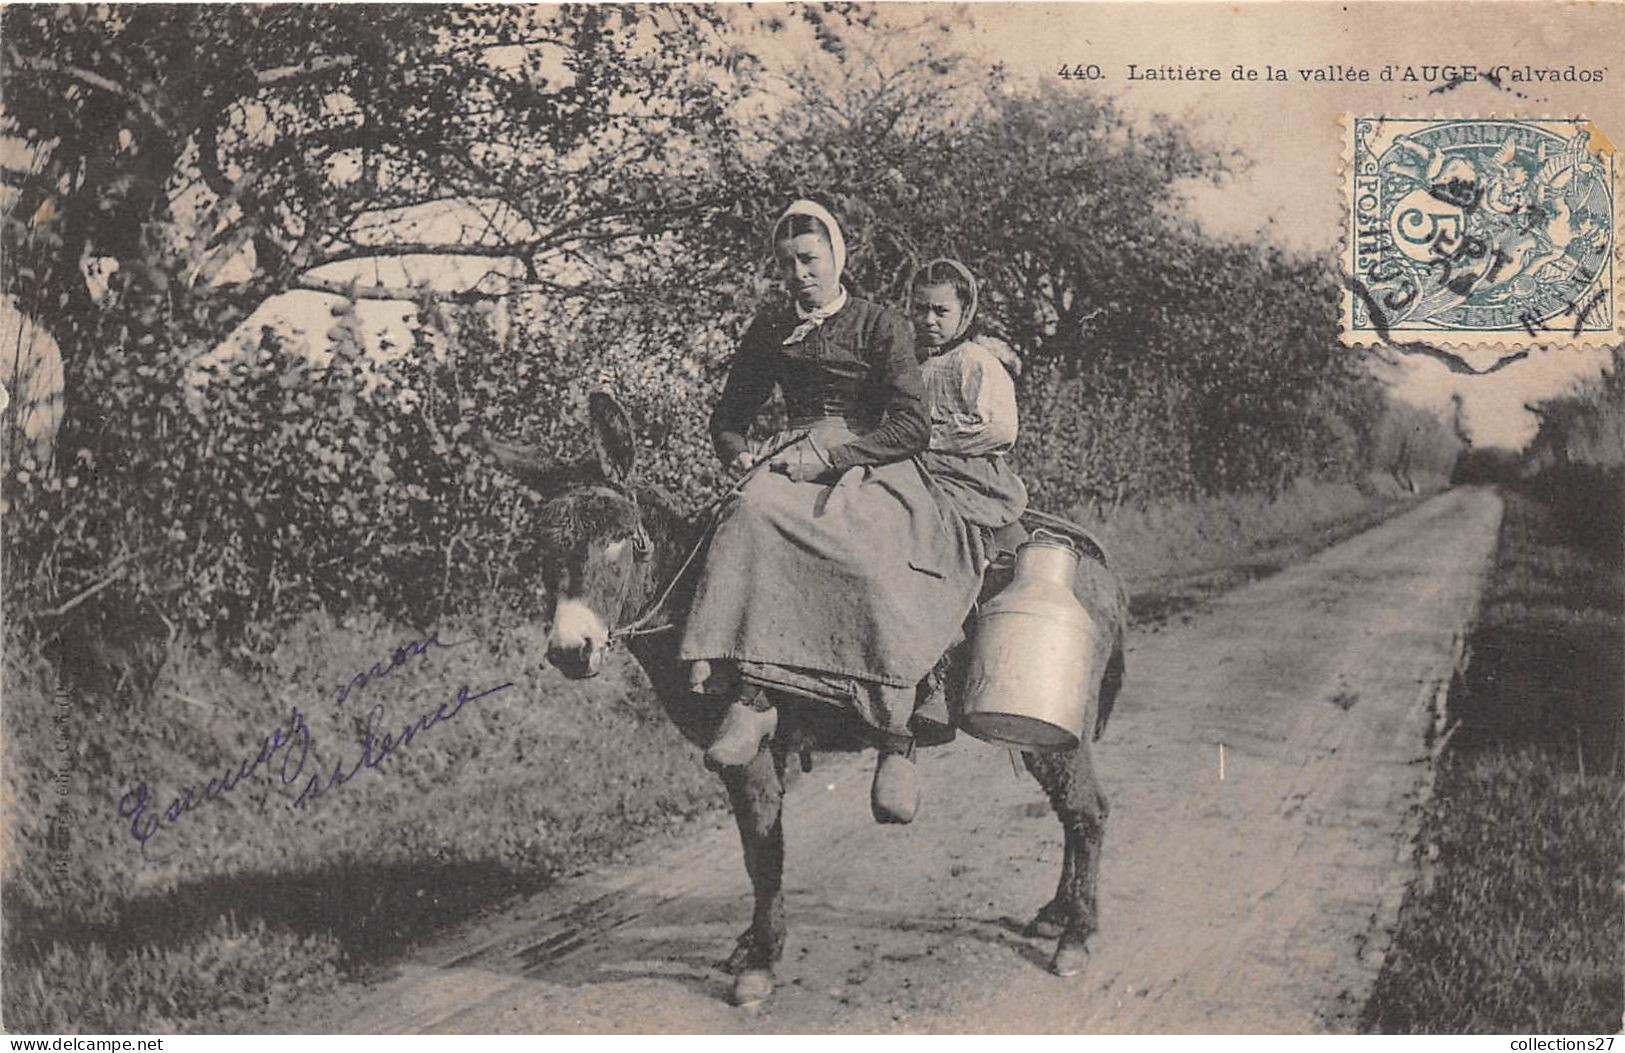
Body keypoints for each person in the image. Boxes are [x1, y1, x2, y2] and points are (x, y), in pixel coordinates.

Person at [678, 202, 986, 824]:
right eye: (787, 264)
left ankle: (898, 729)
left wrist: (836, 458)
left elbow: (911, 425)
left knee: (873, 553)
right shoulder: (769, 328)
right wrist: (740, 455)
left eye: (809, 260)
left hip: (872, 459)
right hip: (792, 456)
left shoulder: (879, 325)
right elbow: (729, 419)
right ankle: (753, 697)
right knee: (745, 516)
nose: (799, 274)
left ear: (836, 258)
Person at [906, 258, 1030, 740]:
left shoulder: (974, 362)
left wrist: (929, 438)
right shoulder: (909, 362)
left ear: (964, 313)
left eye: (940, 311)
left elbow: (999, 428)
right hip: (913, 467)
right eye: (920, 309)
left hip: (965, 473)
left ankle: (944, 667)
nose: (929, 321)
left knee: (942, 539)